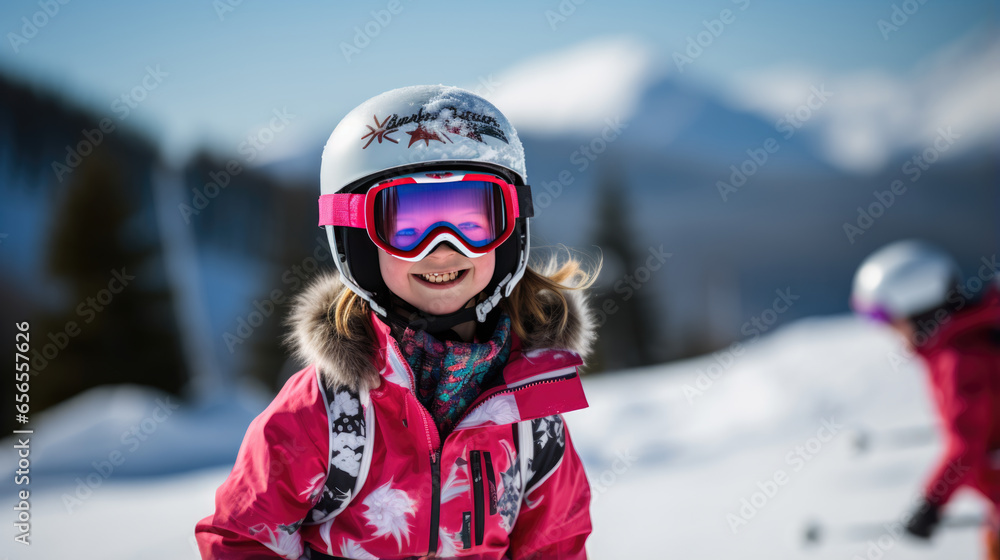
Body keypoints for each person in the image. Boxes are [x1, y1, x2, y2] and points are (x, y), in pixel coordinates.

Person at [195, 85, 598, 559]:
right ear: (360, 241)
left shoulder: (530, 412)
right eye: (408, 226)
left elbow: (556, 542)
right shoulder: (328, 412)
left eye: (472, 220)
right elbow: (243, 537)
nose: (443, 247)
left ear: (510, 226)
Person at [851, 240, 1000, 558]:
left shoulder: (960, 359)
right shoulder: (978, 337)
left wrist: (931, 505)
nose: (889, 330)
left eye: (884, 317)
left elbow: (966, 446)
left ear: (916, 308)